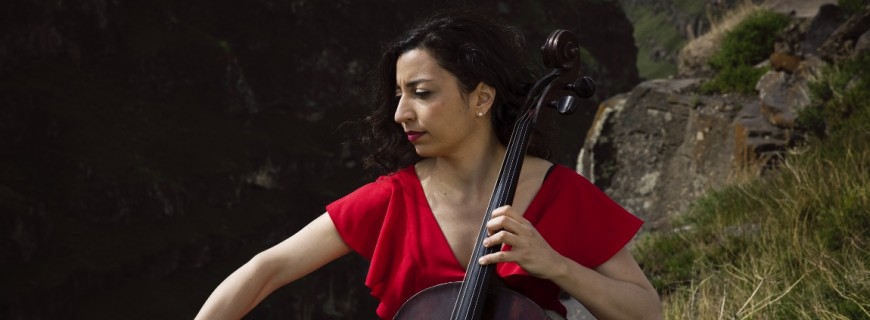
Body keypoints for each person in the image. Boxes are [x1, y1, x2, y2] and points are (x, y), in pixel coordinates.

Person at [196, 10, 662, 320]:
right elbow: (266, 269)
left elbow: (646, 311)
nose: (401, 113)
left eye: (421, 93)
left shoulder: (559, 194)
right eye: (399, 95)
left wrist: (556, 265)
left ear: (481, 97)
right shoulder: (393, 198)